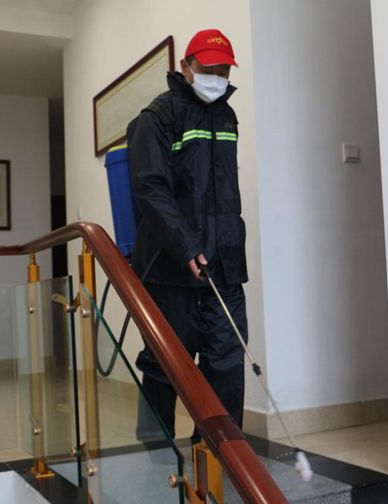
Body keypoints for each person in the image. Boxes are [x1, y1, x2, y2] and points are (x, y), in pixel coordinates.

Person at [128, 28, 248, 443]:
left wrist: (226, 250)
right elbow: (151, 190)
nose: (216, 78)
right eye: (208, 69)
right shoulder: (157, 117)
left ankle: (221, 453)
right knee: (167, 364)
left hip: (224, 267)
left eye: (223, 71)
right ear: (185, 66)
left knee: (227, 363)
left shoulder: (226, 116)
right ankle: (154, 451)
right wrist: (187, 247)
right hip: (171, 268)